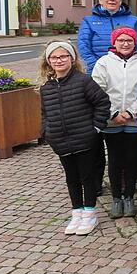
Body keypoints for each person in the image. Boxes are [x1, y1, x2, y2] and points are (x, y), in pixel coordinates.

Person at [39, 41, 110, 236]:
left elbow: (102, 103)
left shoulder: (83, 81)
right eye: (54, 57)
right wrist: (47, 132)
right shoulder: (47, 87)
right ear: (48, 61)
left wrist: (95, 128)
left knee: (87, 177)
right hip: (61, 141)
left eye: (63, 56)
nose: (59, 60)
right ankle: (76, 212)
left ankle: (89, 213)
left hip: (84, 140)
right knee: (71, 178)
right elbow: (45, 113)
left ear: (71, 58)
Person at [91, 28, 137, 220]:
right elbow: (98, 91)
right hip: (112, 122)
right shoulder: (104, 63)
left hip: (134, 121)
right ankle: (117, 198)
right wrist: (114, 114)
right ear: (114, 42)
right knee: (116, 161)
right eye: (121, 40)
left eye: (129, 40)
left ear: (135, 42)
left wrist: (131, 112)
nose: (125, 44)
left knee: (133, 160)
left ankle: (129, 196)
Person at [78, 0, 137, 74]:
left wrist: (128, 66)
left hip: (127, 72)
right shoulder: (88, 21)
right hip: (98, 72)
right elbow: (84, 47)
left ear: (121, 0)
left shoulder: (134, 21)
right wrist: (98, 67)